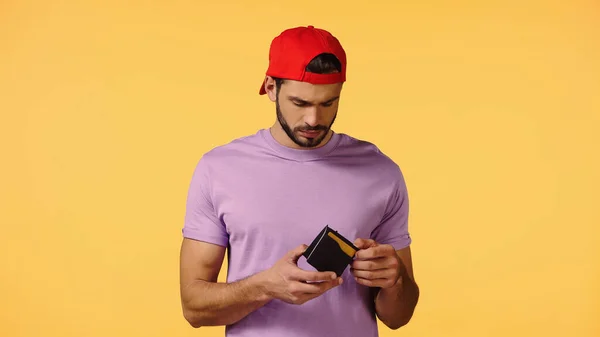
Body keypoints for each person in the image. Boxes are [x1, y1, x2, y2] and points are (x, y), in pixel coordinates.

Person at [178, 25, 420, 337]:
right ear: (270, 88)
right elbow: (193, 307)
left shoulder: (380, 172)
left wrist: (395, 280)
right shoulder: (219, 169)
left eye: (328, 103)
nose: (313, 119)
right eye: (300, 103)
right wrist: (265, 286)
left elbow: (399, 317)